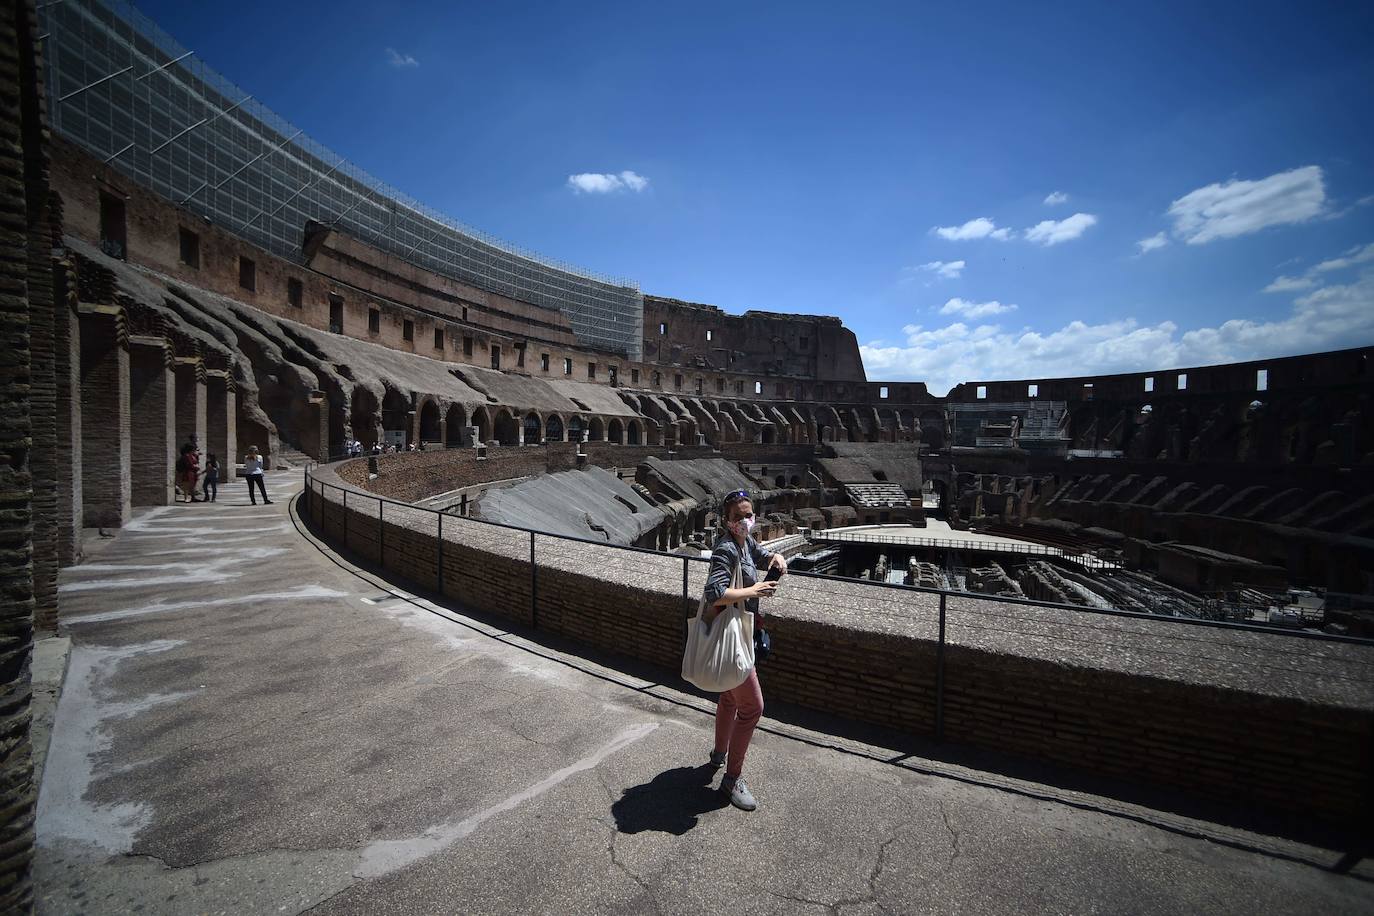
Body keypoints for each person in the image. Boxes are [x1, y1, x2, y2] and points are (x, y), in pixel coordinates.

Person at [701, 489, 787, 811]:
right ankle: (731, 778)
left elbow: (758, 554)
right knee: (752, 708)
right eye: (738, 517)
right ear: (727, 520)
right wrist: (755, 590)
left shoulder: (745, 542)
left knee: (727, 698)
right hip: (732, 637)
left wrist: (774, 559)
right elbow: (714, 593)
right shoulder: (725, 549)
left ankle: (718, 755)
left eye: (749, 515)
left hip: (742, 631)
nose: (745, 521)